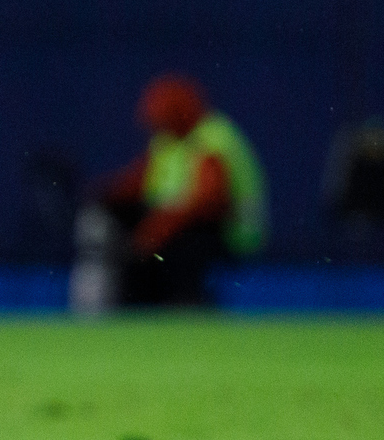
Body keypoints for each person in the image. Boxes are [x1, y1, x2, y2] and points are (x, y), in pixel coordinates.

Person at [71, 74, 266, 310]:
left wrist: (152, 233)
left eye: (161, 116)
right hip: (174, 224)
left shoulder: (214, 139)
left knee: (182, 244)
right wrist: (97, 197)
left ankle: (187, 305)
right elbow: (138, 183)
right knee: (115, 224)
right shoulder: (168, 140)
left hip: (228, 233)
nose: (154, 123)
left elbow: (207, 204)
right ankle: (113, 304)